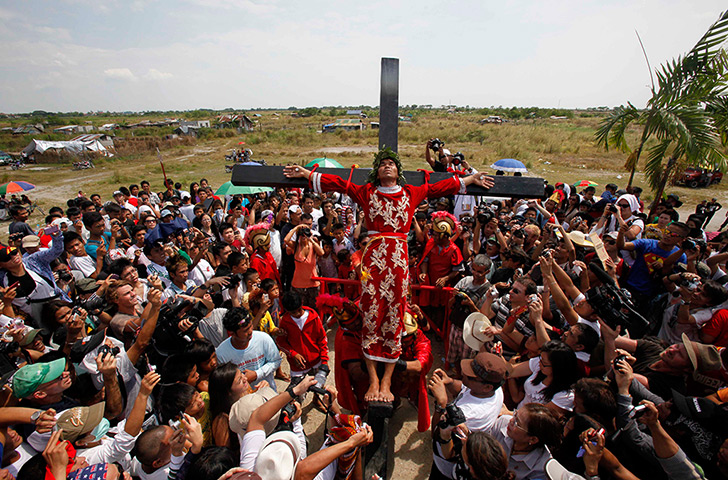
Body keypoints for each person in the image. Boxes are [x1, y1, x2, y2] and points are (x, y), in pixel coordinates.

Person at [284, 147, 494, 402]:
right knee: (372, 315)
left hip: (398, 261)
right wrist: (308, 174)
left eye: (391, 164)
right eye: (382, 163)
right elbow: (338, 183)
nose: (386, 166)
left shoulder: (410, 192)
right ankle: (373, 380)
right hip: (372, 260)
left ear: (398, 172)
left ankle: (386, 383)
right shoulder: (367, 192)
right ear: (376, 170)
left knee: (395, 315)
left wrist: (470, 180)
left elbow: (440, 188)